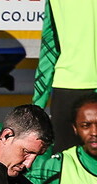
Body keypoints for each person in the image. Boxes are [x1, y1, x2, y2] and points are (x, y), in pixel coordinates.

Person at [33, 0, 97, 152]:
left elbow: (49, 47)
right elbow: (50, 43)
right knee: (66, 166)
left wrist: (37, 104)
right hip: (69, 88)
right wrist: (36, 107)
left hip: (69, 87)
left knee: (66, 166)